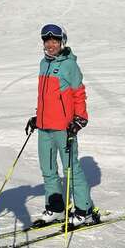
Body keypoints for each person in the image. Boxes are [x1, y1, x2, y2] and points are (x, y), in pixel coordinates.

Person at [25, 24, 97, 226]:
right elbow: (46, 97)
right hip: (44, 127)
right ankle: (56, 208)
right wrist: (38, 117)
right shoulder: (43, 64)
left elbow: (78, 93)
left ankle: (84, 210)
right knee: (48, 169)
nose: (50, 45)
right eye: (47, 41)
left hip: (64, 128)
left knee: (71, 169)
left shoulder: (69, 65)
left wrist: (80, 118)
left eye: (55, 41)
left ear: (62, 42)